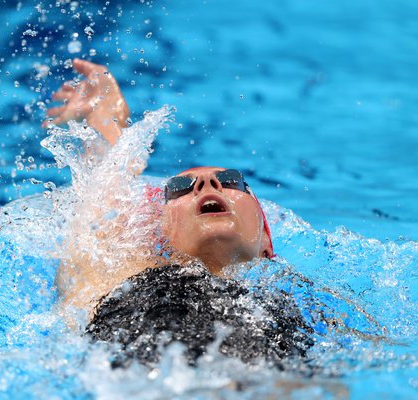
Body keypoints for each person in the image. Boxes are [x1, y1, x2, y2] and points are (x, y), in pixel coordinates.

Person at [43, 59, 313, 367]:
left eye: (231, 180)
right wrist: (107, 119)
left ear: (266, 240)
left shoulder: (291, 308)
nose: (207, 183)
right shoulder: (129, 285)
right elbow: (96, 215)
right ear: (163, 234)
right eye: (180, 187)